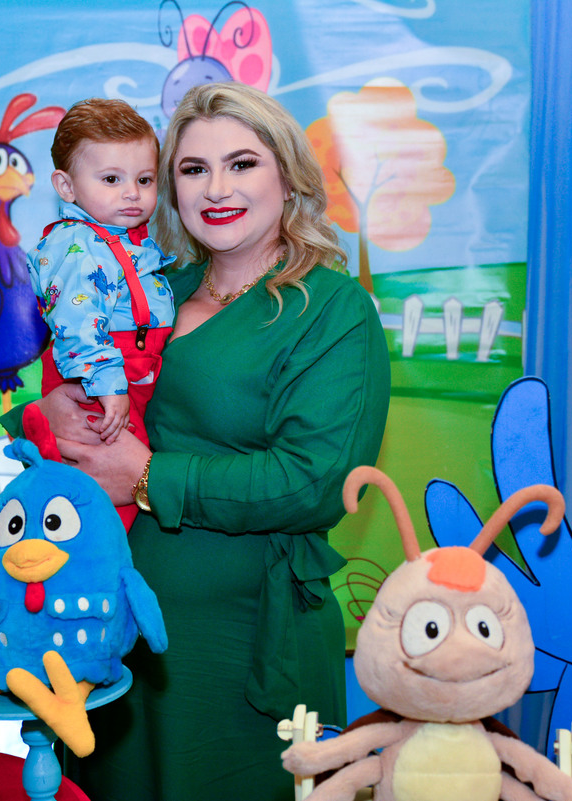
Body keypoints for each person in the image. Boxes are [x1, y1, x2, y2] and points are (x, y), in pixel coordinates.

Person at [38, 82, 390, 801]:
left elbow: (315, 481)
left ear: (288, 176)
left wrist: (149, 476)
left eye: (242, 164)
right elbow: (70, 397)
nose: (217, 188)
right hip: (109, 635)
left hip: (240, 651)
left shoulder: (334, 310)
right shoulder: (152, 288)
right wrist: (49, 411)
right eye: (193, 169)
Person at [27, 97, 176, 457]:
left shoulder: (126, 241)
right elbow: (76, 319)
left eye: (145, 179)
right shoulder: (77, 244)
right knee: (108, 470)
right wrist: (107, 384)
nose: (132, 192)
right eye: (111, 179)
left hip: (131, 376)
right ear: (66, 187)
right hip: (97, 380)